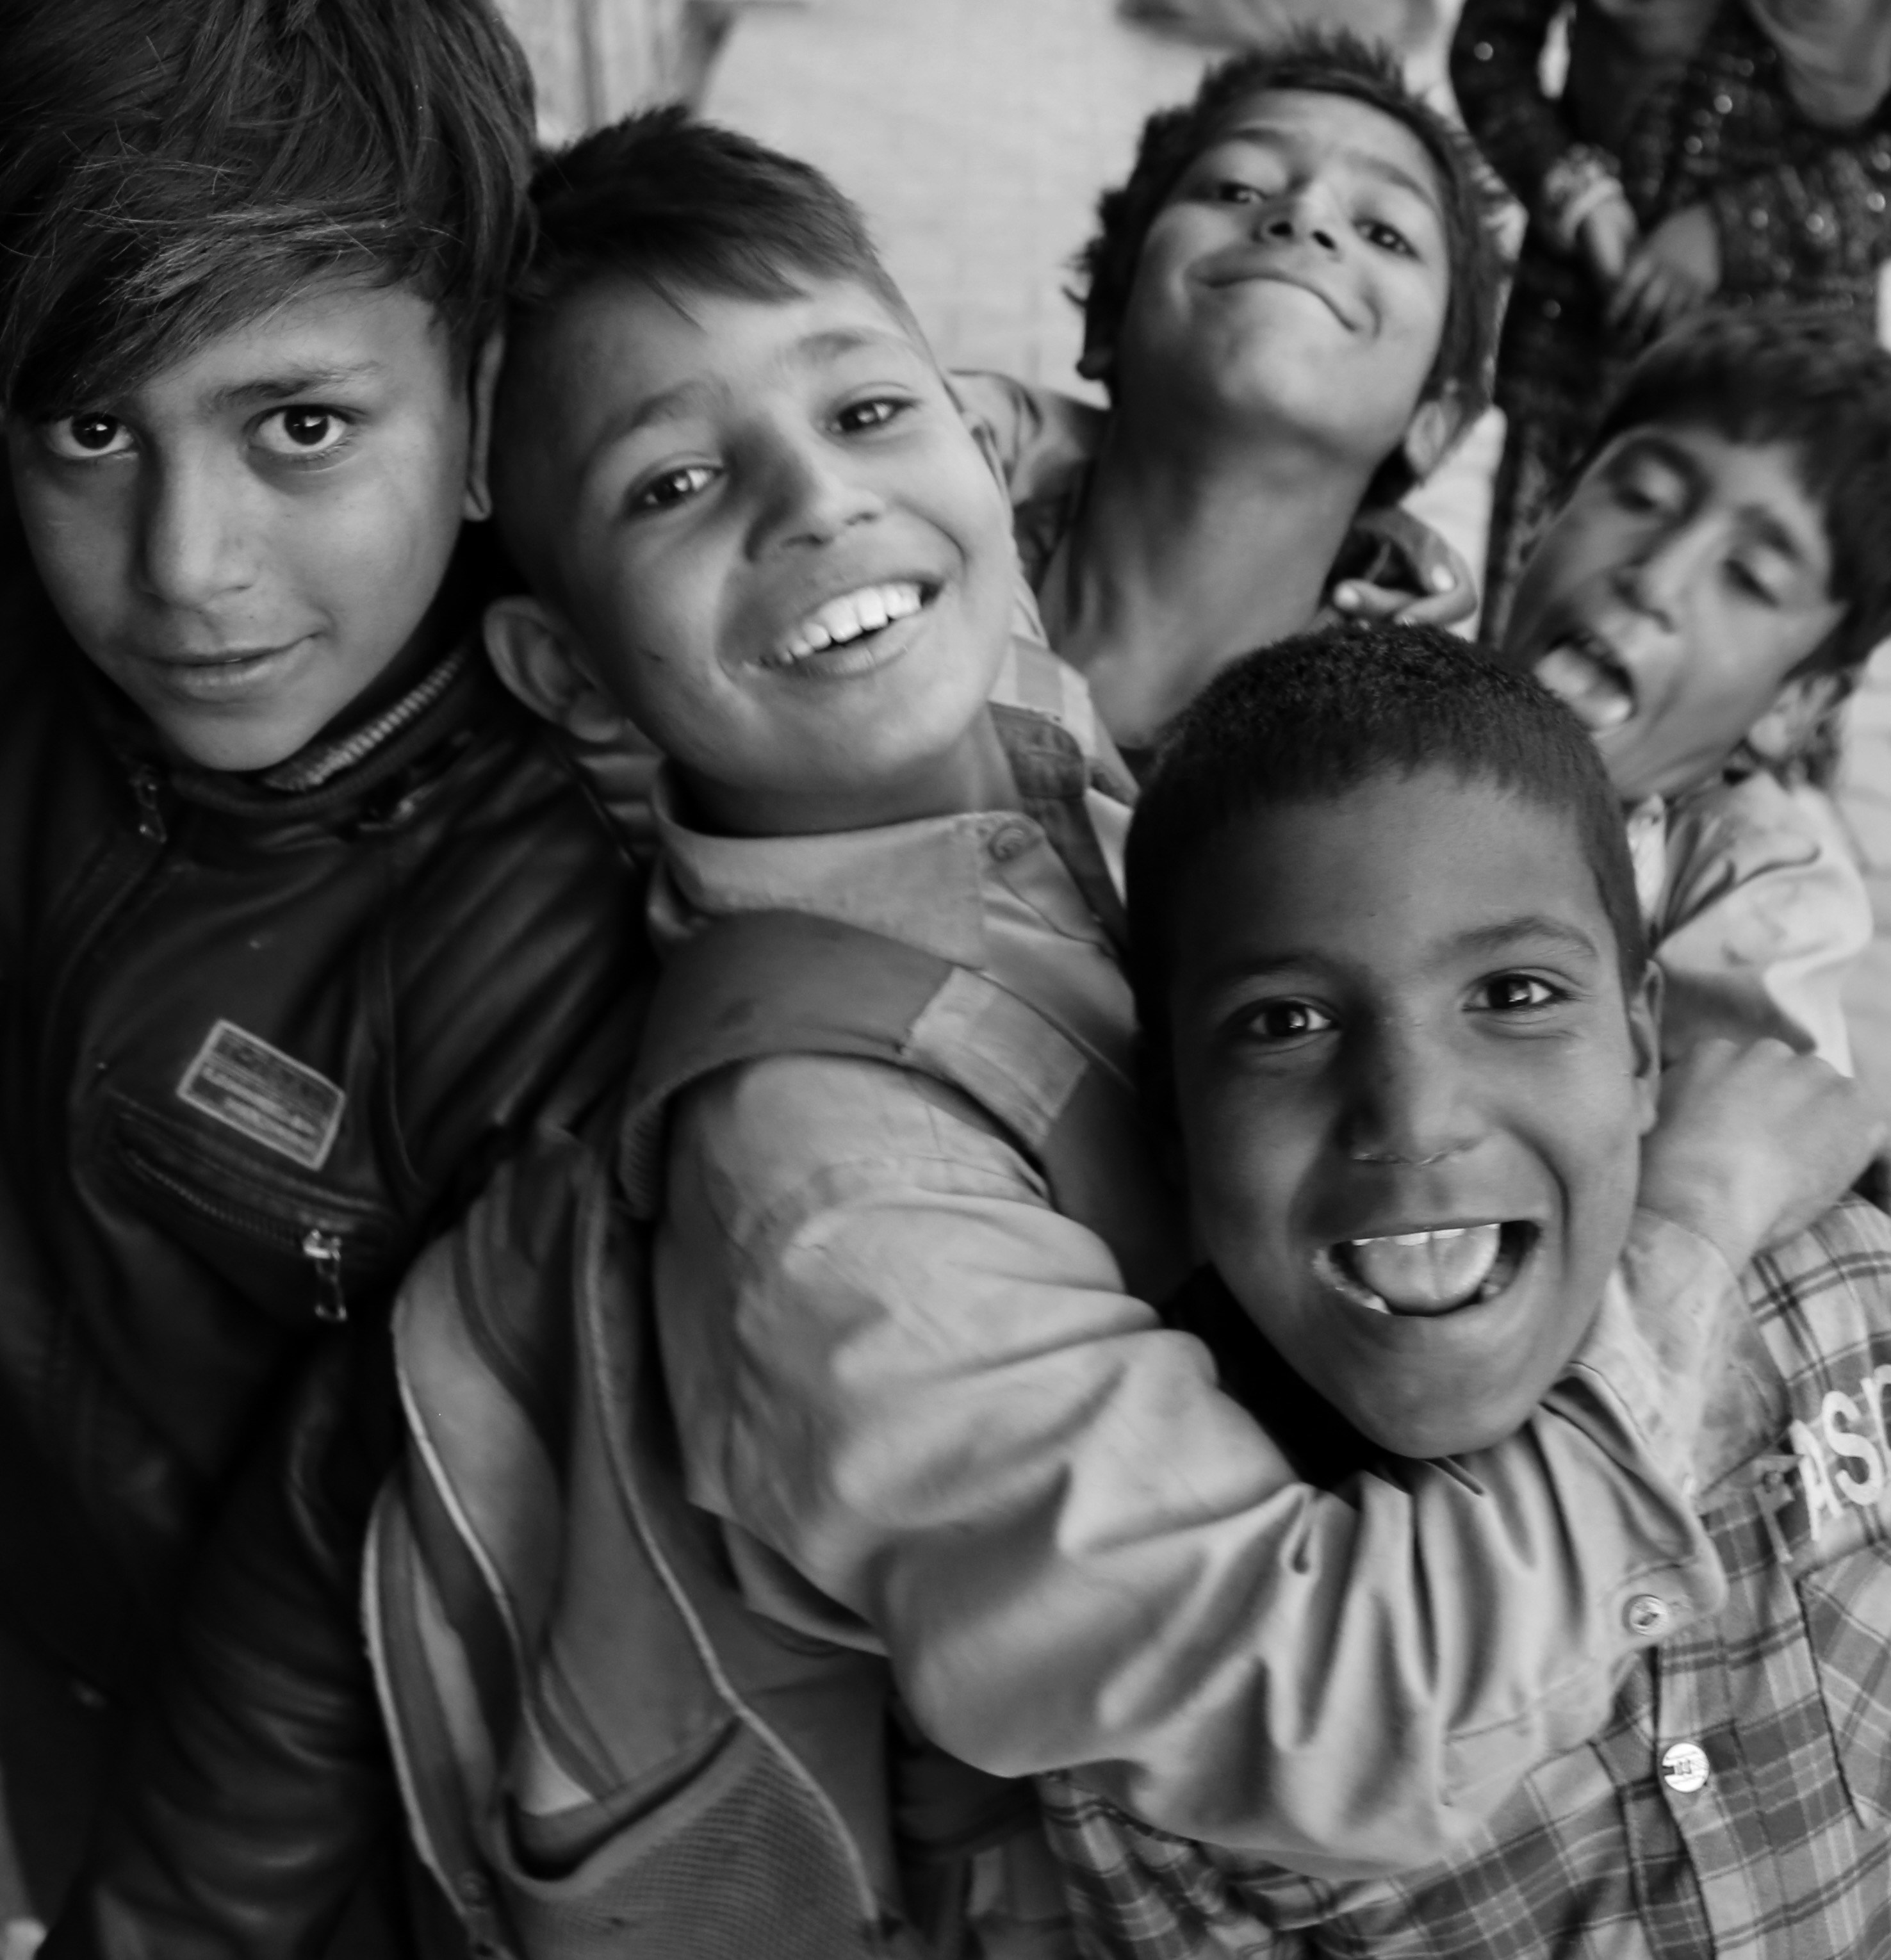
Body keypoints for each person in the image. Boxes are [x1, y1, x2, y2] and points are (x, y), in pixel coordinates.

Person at [44, 113, 1874, 1960]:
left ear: (977, 441)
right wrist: (1696, 1211)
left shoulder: (995, 726)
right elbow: (1349, 1714)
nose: (813, 504)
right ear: (571, 672)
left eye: (862, 412)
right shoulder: (828, 1181)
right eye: (670, 486)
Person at [0, 0, 648, 1922]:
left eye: (299, 427)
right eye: (94, 428)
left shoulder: (541, 939)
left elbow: (344, 1578)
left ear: (484, 405)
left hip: (272, 1848)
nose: (185, 566)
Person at [1049, 621, 1891, 1957]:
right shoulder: (1171, 1625)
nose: (1413, 1118)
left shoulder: (1845, 1299)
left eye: (1511, 992)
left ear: (1640, 1044)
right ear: (1170, 1119)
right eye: (1285, 1022)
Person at [955, 31, 1507, 765]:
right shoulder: (927, 527)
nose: (1306, 213)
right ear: (1108, 316)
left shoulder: (1387, 768)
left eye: (1384, 232)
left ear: (1437, 422)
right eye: (1236, 190)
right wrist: (982, 438)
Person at [1498, 308, 1891, 1068]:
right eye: (1643, 499)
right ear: (1548, 509)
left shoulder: (1759, 887)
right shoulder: (1369, 731)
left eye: (1748, 577)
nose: (1655, 580)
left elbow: (1737, 1128)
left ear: (1796, 704)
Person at [1453, 0, 1891, 639]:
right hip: (1586, 334)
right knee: (1538, 632)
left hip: (1788, 379)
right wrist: (1578, 195)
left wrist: (1734, 230)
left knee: (1734, 630)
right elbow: (1491, 50)